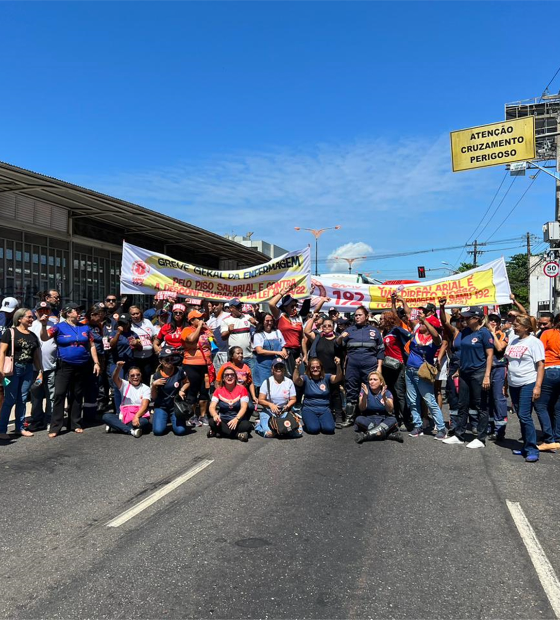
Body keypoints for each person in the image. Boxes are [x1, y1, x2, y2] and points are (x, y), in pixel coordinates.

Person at [39, 303, 101, 438]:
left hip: (82, 365)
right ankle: (56, 425)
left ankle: (75, 423)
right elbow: (44, 337)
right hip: (65, 365)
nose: (79, 313)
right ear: (67, 313)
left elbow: (91, 346)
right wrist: (44, 325)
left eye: (79, 310)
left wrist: (96, 362)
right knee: (60, 393)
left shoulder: (85, 327)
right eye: (76, 310)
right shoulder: (58, 327)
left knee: (77, 394)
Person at [443, 307, 494, 449]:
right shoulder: (465, 332)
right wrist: (459, 370)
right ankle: (459, 435)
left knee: (480, 405)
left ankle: (481, 438)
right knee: (462, 404)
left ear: (476, 318)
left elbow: (490, 355)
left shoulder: (484, 333)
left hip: (479, 372)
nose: (464, 320)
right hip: (464, 373)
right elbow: (463, 354)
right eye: (464, 318)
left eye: (467, 317)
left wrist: (487, 376)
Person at [504, 315, 544, 463]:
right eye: (514, 324)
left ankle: (532, 449)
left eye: (517, 325)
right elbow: (509, 363)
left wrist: (538, 386)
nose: (514, 327)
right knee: (521, 416)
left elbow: (540, 365)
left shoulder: (534, 342)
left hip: (528, 382)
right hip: (514, 383)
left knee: (525, 415)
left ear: (526, 327)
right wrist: (506, 383)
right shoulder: (514, 340)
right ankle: (525, 446)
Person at [337, 305, 385, 426]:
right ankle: (349, 418)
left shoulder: (375, 332)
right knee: (351, 390)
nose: (357, 317)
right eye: (356, 315)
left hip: (370, 366)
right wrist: (340, 338)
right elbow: (338, 345)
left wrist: (379, 367)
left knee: (370, 389)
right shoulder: (349, 330)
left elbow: (380, 351)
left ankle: (370, 417)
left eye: (359, 315)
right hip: (353, 366)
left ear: (366, 316)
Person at [0, 308, 43, 437]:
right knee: (10, 399)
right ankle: (2, 430)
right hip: (13, 370)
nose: (31, 319)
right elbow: (2, 351)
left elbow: (36, 355)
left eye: (32, 317)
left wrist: (40, 370)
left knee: (23, 399)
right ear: (19, 319)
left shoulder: (32, 335)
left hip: (28, 369)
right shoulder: (10, 332)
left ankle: (20, 427)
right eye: (28, 317)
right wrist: (0, 370)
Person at [404, 314, 447, 440]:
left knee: (429, 400)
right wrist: (399, 301)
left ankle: (441, 429)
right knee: (412, 400)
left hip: (422, 373)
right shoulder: (416, 332)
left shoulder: (435, 339)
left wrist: (425, 321)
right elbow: (408, 314)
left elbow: (436, 337)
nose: (421, 324)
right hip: (409, 371)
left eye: (424, 324)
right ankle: (418, 426)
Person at [304, 315, 345, 427]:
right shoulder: (318, 337)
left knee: (335, 393)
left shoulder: (337, 338)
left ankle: (338, 416)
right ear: (322, 327)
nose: (327, 327)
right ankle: (325, 413)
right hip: (320, 371)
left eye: (329, 326)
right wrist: (312, 318)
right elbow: (307, 331)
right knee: (322, 392)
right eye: (325, 326)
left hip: (333, 369)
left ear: (333, 327)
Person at [268, 287, 311, 377]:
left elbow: (302, 338)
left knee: (300, 377)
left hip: (297, 352)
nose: (294, 308)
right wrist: (282, 293)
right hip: (285, 352)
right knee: (287, 378)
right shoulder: (280, 315)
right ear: (285, 307)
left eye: (296, 305)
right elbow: (271, 304)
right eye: (292, 306)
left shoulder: (298, 318)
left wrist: (305, 355)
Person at [292, 356, 342, 434]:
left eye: (318, 367)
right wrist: (297, 367)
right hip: (309, 408)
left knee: (329, 429)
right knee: (314, 429)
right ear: (309, 368)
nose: (315, 369)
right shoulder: (305, 378)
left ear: (321, 368)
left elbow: (338, 378)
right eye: (312, 367)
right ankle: (309, 422)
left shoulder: (326, 377)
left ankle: (320, 421)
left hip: (324, 408)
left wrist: (338, 365)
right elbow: (296, 381)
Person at [380, 310, 412, 430]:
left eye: (382, 319)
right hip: (387, 366)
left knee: (400, 393)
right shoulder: (385, 332)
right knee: (391, 392)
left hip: (398, 366)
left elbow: (411, 337)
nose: (380, 321)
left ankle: (406, 419)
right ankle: (396, 417)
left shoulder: (396, 330)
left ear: (388, 319)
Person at [181, 309, 214, 427]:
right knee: (192, 390)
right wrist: (199, 328)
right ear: (191, 320)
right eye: (198, 318)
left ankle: (203, 415)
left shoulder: (206, 329)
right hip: (191, 365)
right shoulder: (186, 330)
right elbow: (190, 339)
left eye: (202, 318)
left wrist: (211, 335)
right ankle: (192, 415)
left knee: (204, 390)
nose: (201, 320)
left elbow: (213, 342)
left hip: (206, 365)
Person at [28, 302, 57, 432]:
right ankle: (37, 420)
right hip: (35, 369)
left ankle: (50, 419)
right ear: (36, 312)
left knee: (52, 394)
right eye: (41, 310)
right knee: (36, 396)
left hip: (51, 366)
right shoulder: (31, 325)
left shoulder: (55, 325)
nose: (44, 313)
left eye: (46, 310)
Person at [102, 361, 151, 437]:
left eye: (138, 375)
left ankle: (116, 426)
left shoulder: (146, 388)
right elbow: (115, 378)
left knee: (144, 422)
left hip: (139, 415)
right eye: (132, 375)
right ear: (128, 377)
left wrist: (136, 416)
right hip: (124, 416)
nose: (135, 377)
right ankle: (131, 430)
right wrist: (118, 368)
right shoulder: (125, 385)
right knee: (106, 417)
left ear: (141, 376)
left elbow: (144, 406)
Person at [533, 313, 560, 452]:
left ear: (554, 322)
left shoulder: (549, 333)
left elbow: (540, 353)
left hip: (549, 369)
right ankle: (557, 437)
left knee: (540, 405)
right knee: (557, 407)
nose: (542, 326)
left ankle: (549, 439)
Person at [256, 358, 300, 438]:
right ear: (272, 369)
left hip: (284, 411)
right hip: (269, 411)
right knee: (270, 434)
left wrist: (287, 406)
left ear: (284, 369)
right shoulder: (267, 382)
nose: (279, 369)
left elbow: (293, 399)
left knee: (297, 432)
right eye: (276, 367)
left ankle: (278, 428)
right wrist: (271, 405)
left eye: (281, 367)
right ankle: (259, 425)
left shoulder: (289, 382)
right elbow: (260, 400)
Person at [354, 371, 403, 444]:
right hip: (369, 419)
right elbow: (362, 408)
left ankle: (367, 435)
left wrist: (384, 397)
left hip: (383, 419)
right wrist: (365, 396)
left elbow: (390, 409)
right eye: (370, 379)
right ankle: (387, 435)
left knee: (393, 419)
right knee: (358, 419)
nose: (372, 382)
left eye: (375, 379)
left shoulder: (387, 392)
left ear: (381, 382)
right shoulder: (364, 391)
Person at [151, 347, 191, 436]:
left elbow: (187, 382)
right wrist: (154, 385)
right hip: (161, 406)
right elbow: (154, 397)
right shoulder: (156, 376)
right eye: (167, 359)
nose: (170, 361)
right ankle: (163, 418)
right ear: (161, 361)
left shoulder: (179, 370)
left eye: (171, 359)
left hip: (175, 406)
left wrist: (182, 390)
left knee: (180, 431)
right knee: (158, 431)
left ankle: (172, 419)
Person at [208, 367, 253, 441]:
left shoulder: (242, 389)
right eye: (227, 375)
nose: (229, 377)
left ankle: (218, 432)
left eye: (232, 375)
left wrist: (237, 419)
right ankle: (238, 435)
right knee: (212, 422)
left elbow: (244, 407)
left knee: (247, 425)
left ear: (235, 377)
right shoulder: (218, 390)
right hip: (222, 420)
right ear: (223, 378)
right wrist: (215, 415)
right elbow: (212, 407)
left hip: (237, 420)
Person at [106, 312, 138, 414]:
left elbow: (140, 347)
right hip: (116, 363)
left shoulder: (133, 334)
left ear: (129, 323)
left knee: (130, 386)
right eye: (121, 323)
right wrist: (118, 333)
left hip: (130, 363)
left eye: (124, 323)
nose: (122, 325)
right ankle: (118, 411)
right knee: (117, 386)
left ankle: (129, 409)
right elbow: (111, 345)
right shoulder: (114, 333)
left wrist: (137, 344)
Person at [217, 346, 259, 417]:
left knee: (250, 407)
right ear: (232, 356)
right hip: (229, 391)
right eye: (238, 353)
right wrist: (219, 394)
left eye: (242, 353)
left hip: (242, 391)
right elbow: (218, 381)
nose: (241, 355)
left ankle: (244, 420)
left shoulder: (245, 367)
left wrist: (254, 396)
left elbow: (250, 382)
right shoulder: (225, 366)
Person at [486, 312, 509, 441]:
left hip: (499, 368)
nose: (493, 322)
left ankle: (499, 429)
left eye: (496, 321)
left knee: (498, 398)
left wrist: (493, 333)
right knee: (488, 399)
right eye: (491, 320)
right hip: (486, 369)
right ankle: (489, 426)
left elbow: (500, 348)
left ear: (499, 324)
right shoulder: (483, 334)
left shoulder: (503, 335)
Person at [252, 313, 287, 393]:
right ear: (262, 322)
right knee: (264, 388)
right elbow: (259, 351)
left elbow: (283, 345)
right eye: (267, 321)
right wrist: (277, 352)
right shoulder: (258, 335)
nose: (269, 323)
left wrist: (284, 351)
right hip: (264, 367)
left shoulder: (277, 332)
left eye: (271, 321)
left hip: (277, 365)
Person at [221, 299, 255, 371]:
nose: (240, 308)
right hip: (234, 358)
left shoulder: (247, 316)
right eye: (237, 306)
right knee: (236, 378)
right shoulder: (226, 320)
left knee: (251, 379)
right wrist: (229, 331)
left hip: (248, 356)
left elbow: (259, 329)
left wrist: (255, 322)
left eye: (241, 306)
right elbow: (223, 337)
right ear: (231, 308)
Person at [129, 305, 157, 384]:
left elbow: (154, 335)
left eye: (137, 313)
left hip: (149, 357)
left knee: (146, 379)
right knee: (136, 379)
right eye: (133, 314)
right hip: (136, 358)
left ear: (140, 313)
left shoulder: (147, 321)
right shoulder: (130, 325)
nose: (135, 316)